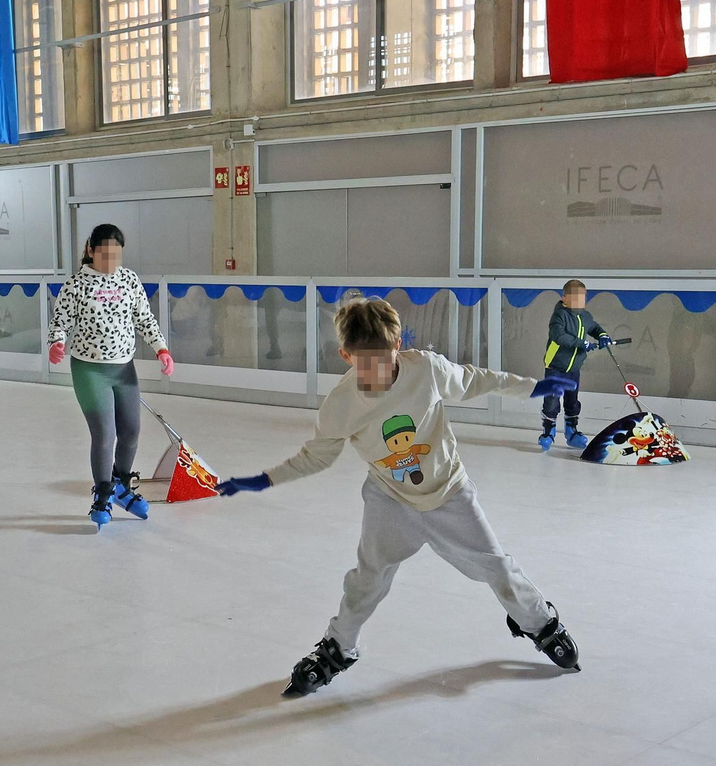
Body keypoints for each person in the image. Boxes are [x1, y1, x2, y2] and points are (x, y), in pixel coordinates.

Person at [215, 295, 582, 695]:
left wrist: (531, 388)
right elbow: (316, 456)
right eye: (363, 361)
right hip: (389, 500)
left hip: (449, 492)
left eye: (384, 357)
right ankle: (338, 648)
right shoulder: (341, 404)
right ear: (346, 355)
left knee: (496, 568)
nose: (376, 371)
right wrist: (265, 479)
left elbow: (474, 379)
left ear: (397, 345)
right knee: (366, 580)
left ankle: (540, 624)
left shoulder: (424, 368)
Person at [46, 223, 175, 529]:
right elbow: (59, 321)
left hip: (123, 368)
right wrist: (57, 342)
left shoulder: (129, 280)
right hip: (90, 370)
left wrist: (161, 349)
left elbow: (144, 318)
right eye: (104, 254)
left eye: (116, 255)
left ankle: (121, 486)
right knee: (105, 435)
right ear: (91, 251)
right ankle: (102, 494)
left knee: (131, 432)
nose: (111, 262)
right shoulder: (76, 285)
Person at [538, 279, 612, 451]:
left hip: (574, 368)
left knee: (572, 401)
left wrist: (602, 335)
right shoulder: (559, 315)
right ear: (564, 298)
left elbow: (594, 327)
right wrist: (583, 343)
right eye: (575, 298)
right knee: (551, 402)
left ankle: (572, 433)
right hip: (556, 367)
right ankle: (548, 432)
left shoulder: (585, 316)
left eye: (583, 298)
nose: (580, 302)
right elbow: (559, 336)